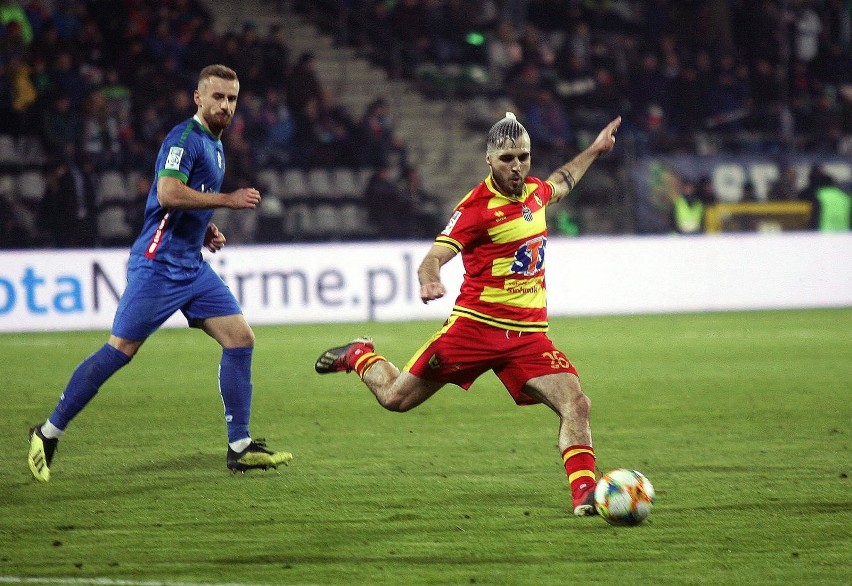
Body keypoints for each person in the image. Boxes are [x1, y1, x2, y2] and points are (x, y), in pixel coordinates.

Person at [315, 112, 621, 517]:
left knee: (576, 403)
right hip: (475, 330)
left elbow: (562, 181)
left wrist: (595, 150)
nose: (517, 167)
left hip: (528, 336)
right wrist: (429, 279)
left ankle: (584, 493)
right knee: (395, 398)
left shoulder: (534, 192)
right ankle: (360, 355)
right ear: (489, 160)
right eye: (508, 159)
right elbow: (433, 256)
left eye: (524, 158)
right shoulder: (475, 209)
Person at [27, 65, 292, 482]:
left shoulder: (216, 145)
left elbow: (179, 199)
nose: (225, 105)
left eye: (232, 98)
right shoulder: (184, 138)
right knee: (120, 351)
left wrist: (204, 227)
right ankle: (47, 432)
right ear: (198, 98)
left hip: (191, 264)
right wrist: (228, 200)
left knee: (240, 339)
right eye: (217, 96)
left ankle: (239, 447)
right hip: (159, 264)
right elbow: (167, 192)